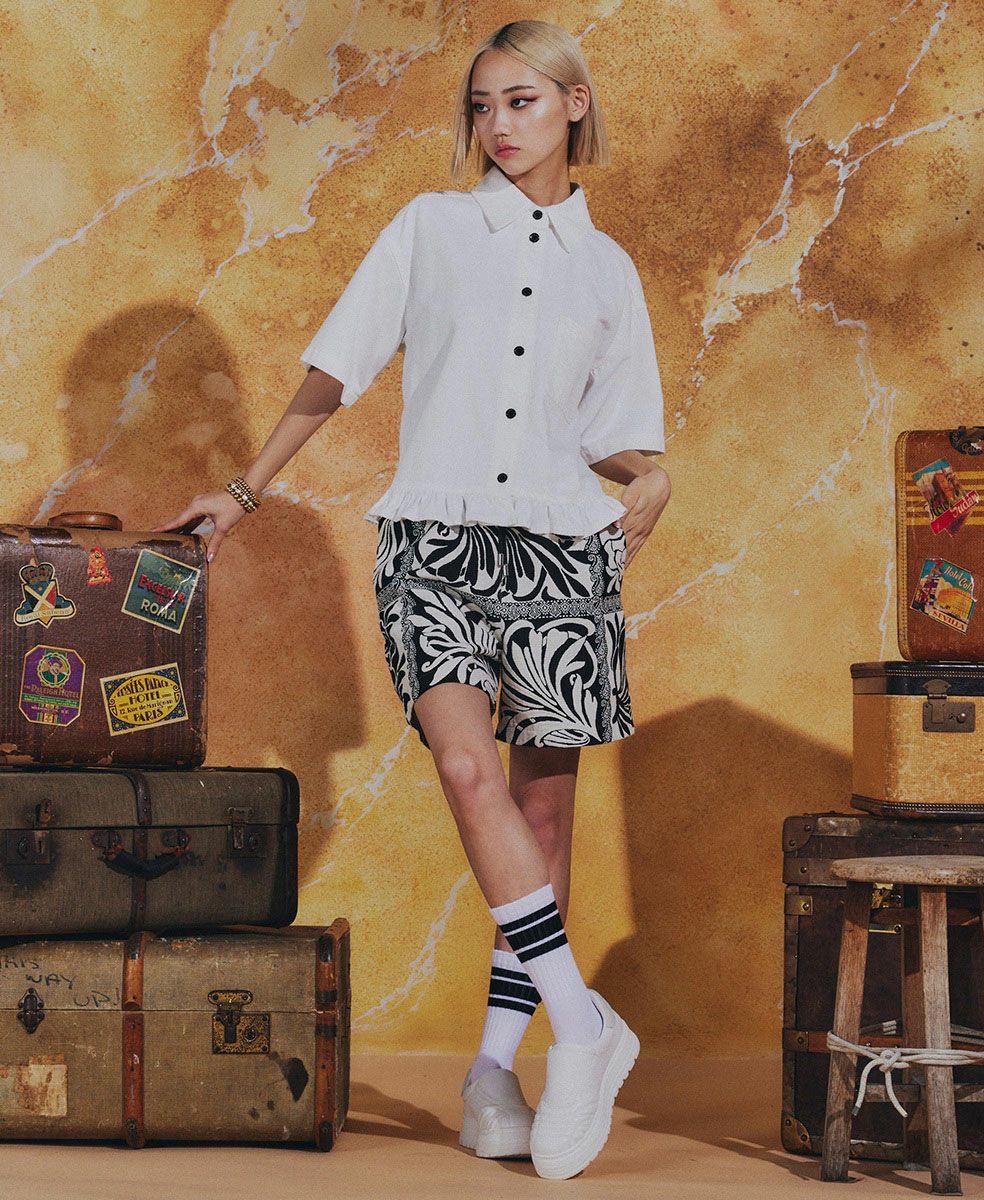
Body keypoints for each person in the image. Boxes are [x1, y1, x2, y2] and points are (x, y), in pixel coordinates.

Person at [154, 18, 672, 1181]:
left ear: (575, 104)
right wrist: (243, 490)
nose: (497, 125)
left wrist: (653, 474)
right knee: (466, 771)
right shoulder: (430, 230)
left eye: (521, 101)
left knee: (540, 821)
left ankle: (492, 1073)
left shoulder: (608, 268)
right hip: (435, 542)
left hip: (563, 554)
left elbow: (607, 435)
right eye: (482, 106)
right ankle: (582, 1026)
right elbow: (334, 369)